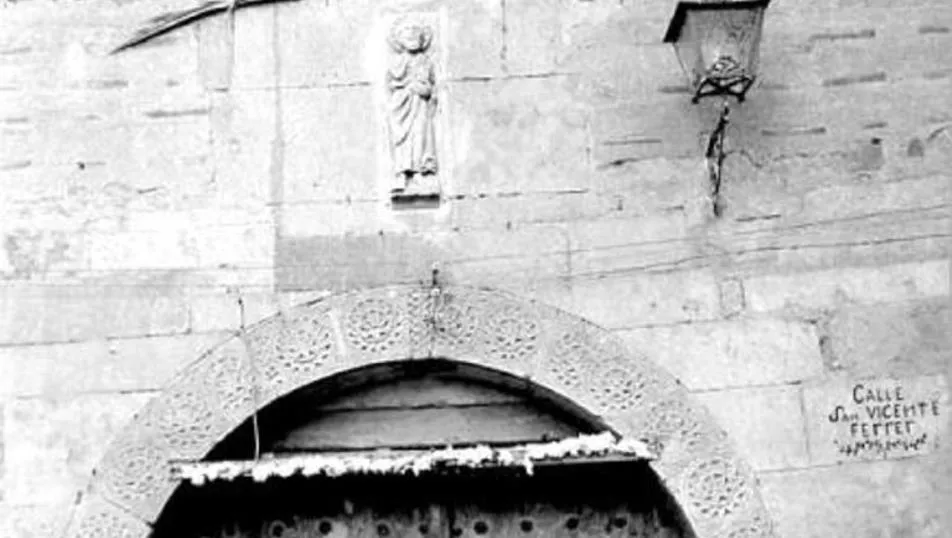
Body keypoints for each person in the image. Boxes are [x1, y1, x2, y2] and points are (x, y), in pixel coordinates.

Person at [386, 21, 438, 194]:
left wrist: (424, 90)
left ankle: (420, 173)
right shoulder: (396, 63)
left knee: (421, 138)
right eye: (408, 37)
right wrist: (407, 90)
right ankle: (402, 174)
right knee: (403, 140)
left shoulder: (426, 62)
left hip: (421, 106)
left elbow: (431, 87)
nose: (412, 40)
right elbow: (393, 85)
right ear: (400, 41)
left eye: (416, 36)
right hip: (402, 106)